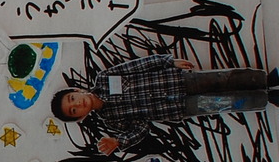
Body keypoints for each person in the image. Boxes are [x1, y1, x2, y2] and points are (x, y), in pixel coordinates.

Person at [50, 54, 279, 154]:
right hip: (180, 107)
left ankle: (266, 80)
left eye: (72, 98)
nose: (77, 104)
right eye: (74, 110)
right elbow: (141, 129)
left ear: (76, 91)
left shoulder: (104, 78)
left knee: (223, 78)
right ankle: (268, 98)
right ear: (80, 117)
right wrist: (118, 141)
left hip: (178, 80)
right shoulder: (111, 120)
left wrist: (168, 61)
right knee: (224, 103)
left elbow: (139, 66)